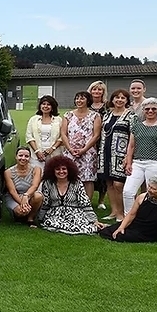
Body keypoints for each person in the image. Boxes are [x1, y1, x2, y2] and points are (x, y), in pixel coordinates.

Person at [100, 174, 157, 248]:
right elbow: (131, 214)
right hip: (135, 226)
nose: (149, 190)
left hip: (149, 233)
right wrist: (121, 227)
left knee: (116, 236)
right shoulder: (143, 197)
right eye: (149, 187)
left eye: (153, 189)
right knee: (109, 231)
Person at [122, 97, 157, 217]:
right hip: (138, 163)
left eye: (153, 109)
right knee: (128, 191)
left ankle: (150, 217)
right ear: (143, 110)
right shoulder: (137, 127)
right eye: (147, 109)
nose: (150, 111)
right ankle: (128, 217)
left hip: (156, 163)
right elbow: (131, 146)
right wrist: (129, 163)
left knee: (153, 193)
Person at [35, 156, 102, 235]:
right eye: (58, 169)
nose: (61, 171)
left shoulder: (76, 183)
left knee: (85, 227)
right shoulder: (48, 183)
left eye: (64, 169)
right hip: (55, 215)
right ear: (52, 171)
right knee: (52, 224)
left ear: (69, 170)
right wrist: (40, 219)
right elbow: (46, 203)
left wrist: (94, 220)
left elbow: (85, 203)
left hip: (74, 214)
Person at [98, 89, 136, 222]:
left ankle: (122, 213)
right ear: (112, 100)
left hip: (121, 155)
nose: (119, 100)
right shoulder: (107, 114)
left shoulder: (131, 116)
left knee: (119, 184)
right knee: (109, 183)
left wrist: (128, 156)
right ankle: (114, 211)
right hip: (106, 153)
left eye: (123, 98)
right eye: (117, 97)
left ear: (127, 101)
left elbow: (133, 136)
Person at [60, 91, 101, 202]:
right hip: (70, 151)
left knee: (88, 179)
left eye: (82, 98)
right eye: (77, 98)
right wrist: (69, 149)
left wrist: (84, 149)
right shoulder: (68, 115)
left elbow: (96, 135)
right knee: (69, 177)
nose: (79, 101)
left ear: (88, 100)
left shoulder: (95, 116)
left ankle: (86, 204)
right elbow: (63, 133)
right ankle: (70, 201)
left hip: (88, 152)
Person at [3, 146, 42, 225]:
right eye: (20, 155)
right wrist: (23, 204)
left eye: (26, 156)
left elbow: (35, 185)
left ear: (30, 158)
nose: (23, 158)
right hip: (14, 196)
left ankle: (30, 219)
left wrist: (26, 196)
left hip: (29, 194)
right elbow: (12, 191)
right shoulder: (8, 172)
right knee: (20, 212)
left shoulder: (36, 169)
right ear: (16, 156)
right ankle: (18, 215)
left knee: (38, 196)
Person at [87, 80, 109, 210]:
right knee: (88, 169)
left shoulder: (107, 106)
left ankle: (101, 200)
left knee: (102, 170)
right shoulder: (86, 105)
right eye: (94, 89)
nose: (97, 92)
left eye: (100, 89)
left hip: (103, 141)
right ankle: (85, 197)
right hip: (87, 141)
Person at [25, 95, 64, 169]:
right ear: (40, 106)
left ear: (52, 107)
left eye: (48, 104)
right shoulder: (33, 119)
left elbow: (62, 136)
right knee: (38, 176)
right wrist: (37, 151)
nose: (45, 106)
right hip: (36, 155)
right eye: (43, 104)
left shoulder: (58, 120)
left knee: (53, 176)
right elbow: (29, 136)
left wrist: (52, 148)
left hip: (54, 154)